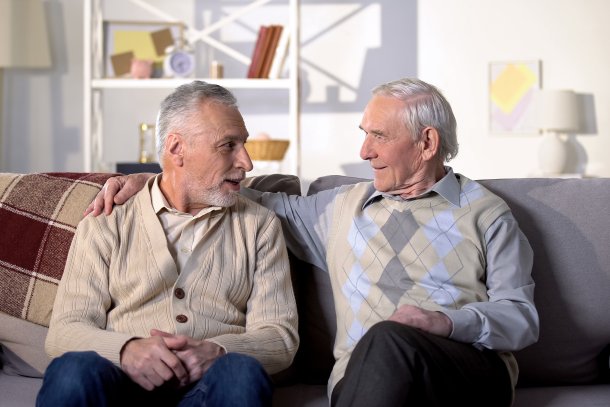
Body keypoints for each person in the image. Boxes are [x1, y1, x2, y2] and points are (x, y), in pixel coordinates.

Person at [87, 78, 539, 406]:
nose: (364, 151)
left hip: (466, 374)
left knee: (389, 339)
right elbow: (223, 187)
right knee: (382, 346)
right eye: (364, 135)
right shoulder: (340, 209)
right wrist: (156, 179)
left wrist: (445, 323)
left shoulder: (486, 213)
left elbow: (521, 318)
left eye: (378, 136)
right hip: (365, 381)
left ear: (426, 142)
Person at [38, 81, 299, 407]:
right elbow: (64, 331)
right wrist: (126, 350)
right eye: (228, 145)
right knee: (72, 371)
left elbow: (280, 336)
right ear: (177, 149)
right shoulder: (106, 220)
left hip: (208, 387)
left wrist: (218, 351)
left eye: (243, 144)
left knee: (240, 373)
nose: (247, 162)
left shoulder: (259, 226)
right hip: (119, 384)